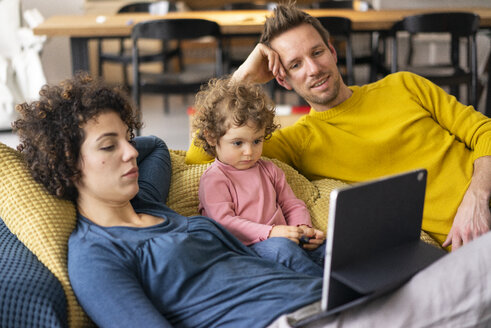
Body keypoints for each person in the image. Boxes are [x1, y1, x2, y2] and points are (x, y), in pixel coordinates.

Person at [12, 74, 491, 328]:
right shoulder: (97, 254)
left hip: (330, 301)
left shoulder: (151, 204)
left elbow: (158, 146)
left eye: (126, 136)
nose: (131, 151)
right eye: (108, 145)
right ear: (69, 165)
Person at [185, 3, 491, 251]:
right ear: (282, 79)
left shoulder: (404, 85)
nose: (314, 69)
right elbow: (203, 155)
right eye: (296, 65)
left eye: (317, 53)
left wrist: (477, 197)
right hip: (466, 248)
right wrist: (243, 77)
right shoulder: (299, 141)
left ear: (332, 52)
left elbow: (484, 131)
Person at [193, 77, 325, 276]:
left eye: (257, 141)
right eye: (238, 143)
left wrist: (303, 228)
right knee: (283, 250)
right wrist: (271, 233)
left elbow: (292, 204)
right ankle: (324, 289)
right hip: (246, 249)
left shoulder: (269, 169)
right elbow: (224, 222)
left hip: (284, 238)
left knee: (326, 246)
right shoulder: (214, 178)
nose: (249, 152)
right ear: (212, 137)